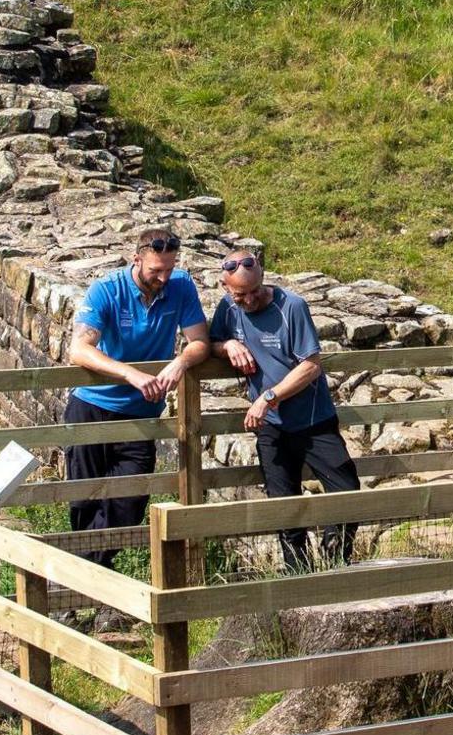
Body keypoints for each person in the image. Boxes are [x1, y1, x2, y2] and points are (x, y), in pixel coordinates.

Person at [65, 228, 209, 586]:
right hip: (92, 406)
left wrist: (180, 362)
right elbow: (79, 349)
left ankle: (75, 575)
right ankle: (91, 584)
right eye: (155, 271)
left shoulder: (181, 286)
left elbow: (200, 342)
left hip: (141, 413)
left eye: (169, 269)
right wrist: (130, 374)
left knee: (129, 501)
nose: (162, 278)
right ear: (137, 259)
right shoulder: (106, 290)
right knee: (85, 497)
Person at [208, 247, 360, 572]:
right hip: (272, 427)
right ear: (225, 287)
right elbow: (211, 342)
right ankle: (298, 574)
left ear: (262, 276)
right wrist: (228, 346)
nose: (248, 301)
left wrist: (268, 397)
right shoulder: (228, 309)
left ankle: (335, 562)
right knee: (283, 504)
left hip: (312, 418)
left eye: (253, 292)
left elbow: (311, 366)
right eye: (239, 295)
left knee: (347, 491)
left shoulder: (291, 306)